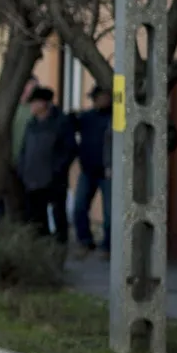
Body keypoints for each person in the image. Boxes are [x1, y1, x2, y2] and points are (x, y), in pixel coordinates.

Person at [18, 87, 77, 244]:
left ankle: (59, 248)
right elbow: (24, 150)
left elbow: (69, 150)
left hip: (53, 181)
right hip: (32, 180)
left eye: (34, 103)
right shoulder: (32, 124)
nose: (32, 107)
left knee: (57, 215)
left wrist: (56, 171)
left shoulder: (61, 123)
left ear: (44, 103)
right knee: (36, 217)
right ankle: (41, 247)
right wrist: (22, 170)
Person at [72, 85, 112, 259]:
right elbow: (68, 129)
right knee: (79, 207)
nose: (103, 100)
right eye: (100, 97)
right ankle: (85, 241)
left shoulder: (115, 118)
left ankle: (108, 247)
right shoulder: (86, 118)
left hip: (108, 172)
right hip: (88, 170)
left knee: (110, 213)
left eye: (106, 97)